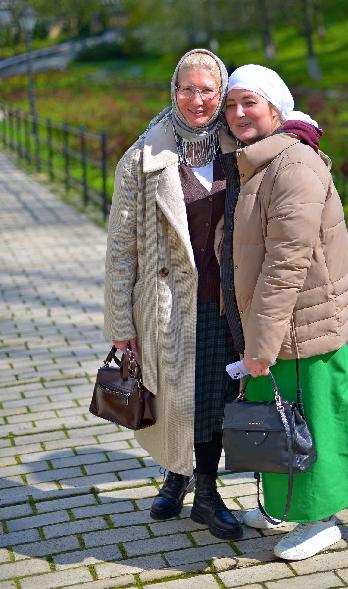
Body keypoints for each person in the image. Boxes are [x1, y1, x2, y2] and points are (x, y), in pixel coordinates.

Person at [219, 64, 348, 561]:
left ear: (276, 108)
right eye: (232, 105)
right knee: (276, 420)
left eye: (250, 102)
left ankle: (320, 520)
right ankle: (280, 507)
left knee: (306, 424)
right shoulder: (258, 161)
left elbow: (285, 266)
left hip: (296, 325)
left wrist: (261, 344)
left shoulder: (293, 166)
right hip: (273, 325)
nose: (238, 113)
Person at [104, 48, 243, 540]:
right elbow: (122, 249)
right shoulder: (142, 158)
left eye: (208, 89)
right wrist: (121, 326)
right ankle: (179, 475)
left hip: (224, 303)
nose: (198, 99)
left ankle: (203, 489)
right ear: (173, 90)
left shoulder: (239, 149)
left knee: (213, 397)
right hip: (165, 304)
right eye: (188, 88)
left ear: (221, 92)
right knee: (176, 400)